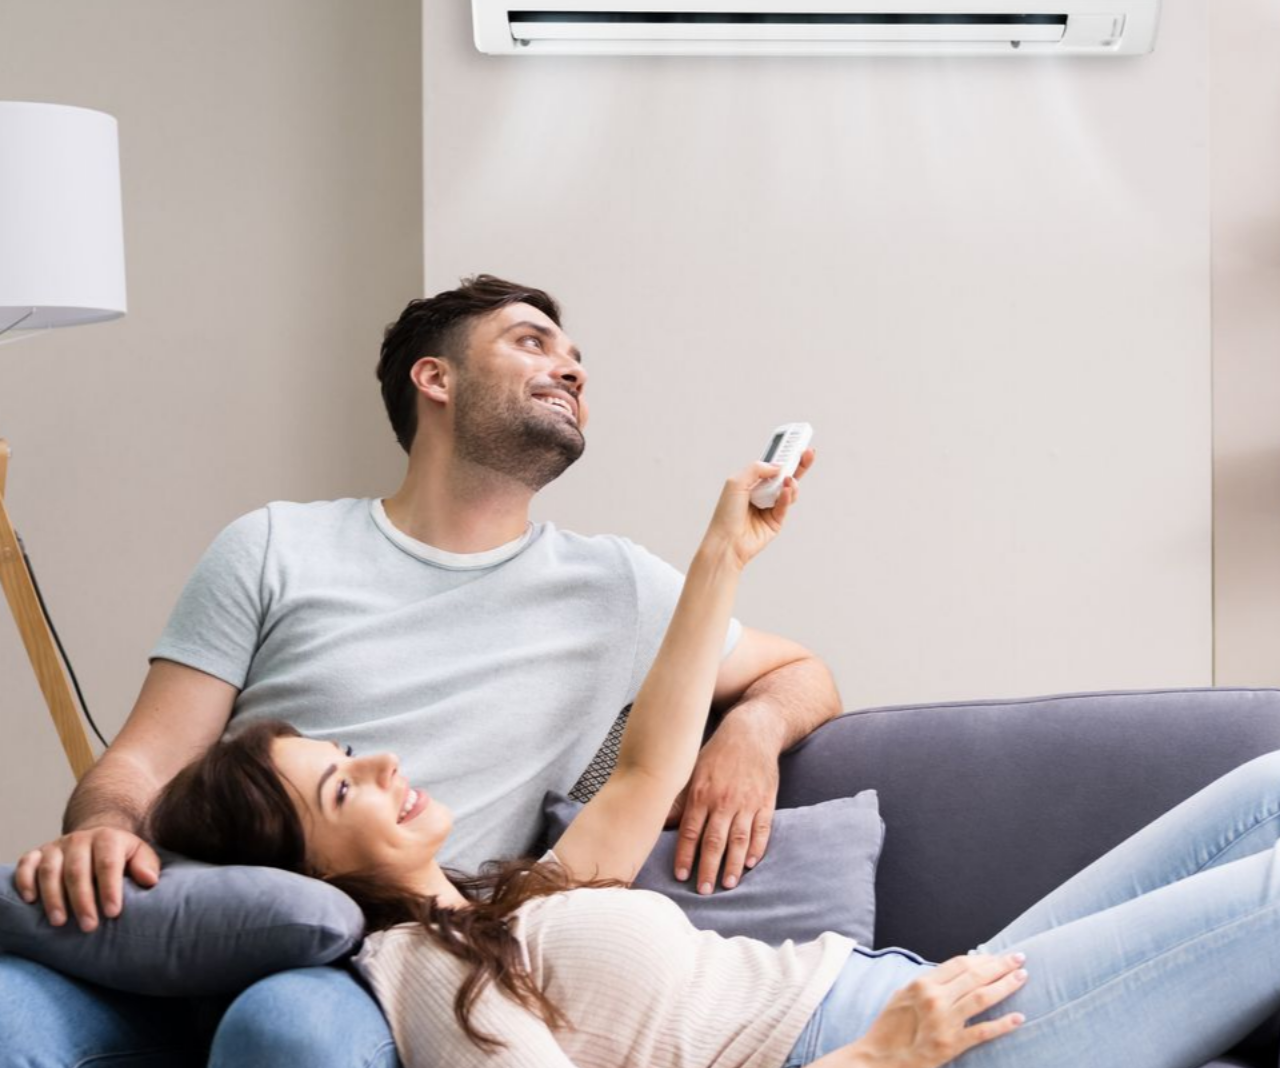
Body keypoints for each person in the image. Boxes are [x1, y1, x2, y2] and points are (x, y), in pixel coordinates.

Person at [148, 456, 1280, 1068]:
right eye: (339, 784)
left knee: (1263, 792)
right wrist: (882, 1058)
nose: (383, 761)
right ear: (306, 869)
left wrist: (722, 550)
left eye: (347, 748)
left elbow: (645, 770)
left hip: (924, 981)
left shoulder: (496, 899)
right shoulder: (424, 980)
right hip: (920, 1045)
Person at [2, 275, 842, 1067]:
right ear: (434, 378)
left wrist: (751, 734)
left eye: (577, 359)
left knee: (289, 1025)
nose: (571, 368)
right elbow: (145, 762)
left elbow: (801, 672)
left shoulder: (618, 586)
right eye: (532, 342)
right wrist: (104, 830)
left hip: (386, 956)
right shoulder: (274, 546)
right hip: (212, 919)